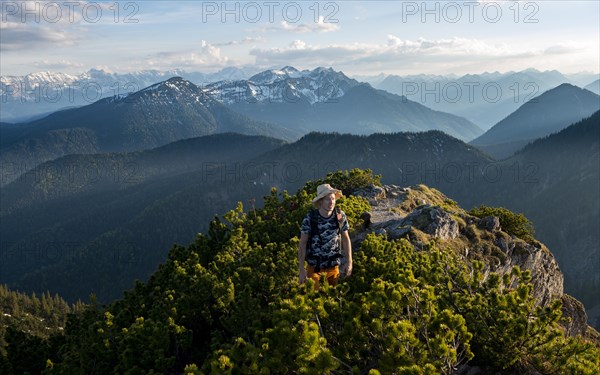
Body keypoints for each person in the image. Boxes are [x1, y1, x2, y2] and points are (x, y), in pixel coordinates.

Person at [298, 184, 352, 289]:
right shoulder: (310, 219)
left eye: (333, 199)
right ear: (321, 201)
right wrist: (301, 269)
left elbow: (345, 238)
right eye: (327, 199)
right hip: (314, 268)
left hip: (333, 267)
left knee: (333, 300)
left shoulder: (340, 216)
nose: (331, 202)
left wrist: (349, 262)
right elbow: (302, 243)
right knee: (316, 300)